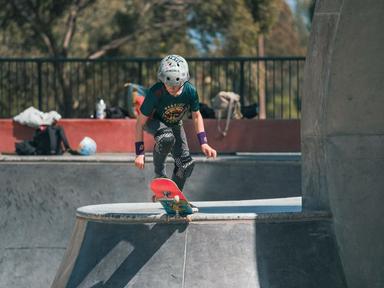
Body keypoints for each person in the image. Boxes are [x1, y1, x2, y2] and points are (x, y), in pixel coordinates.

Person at [134, 54, 217, 198]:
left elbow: (197, 116)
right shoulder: (156, 92)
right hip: (153, 122)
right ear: (162, 79)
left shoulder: (190, 91)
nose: (172, 88)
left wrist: (204, 143)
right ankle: (159, 175)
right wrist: (140, 153)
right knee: (166, 137)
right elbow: (140, 123)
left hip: (175, 124)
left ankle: (170, 195)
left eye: (176, 85)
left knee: (186, 165)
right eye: (168, 85)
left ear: (183, 81)